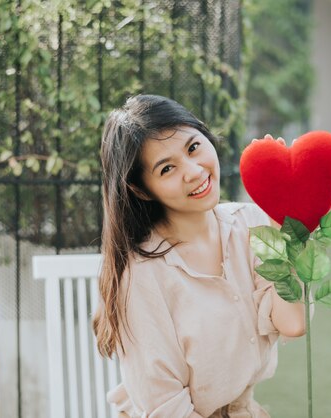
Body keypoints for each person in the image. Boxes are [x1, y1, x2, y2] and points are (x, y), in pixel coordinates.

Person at [92, 94, 306, 418]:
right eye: (167, 169)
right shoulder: (141, 276)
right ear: (142, 189)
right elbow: (165, 407)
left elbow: (293, 322)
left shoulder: (250, 224)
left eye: (193, 147)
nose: (193, 171)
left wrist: (283, 227)